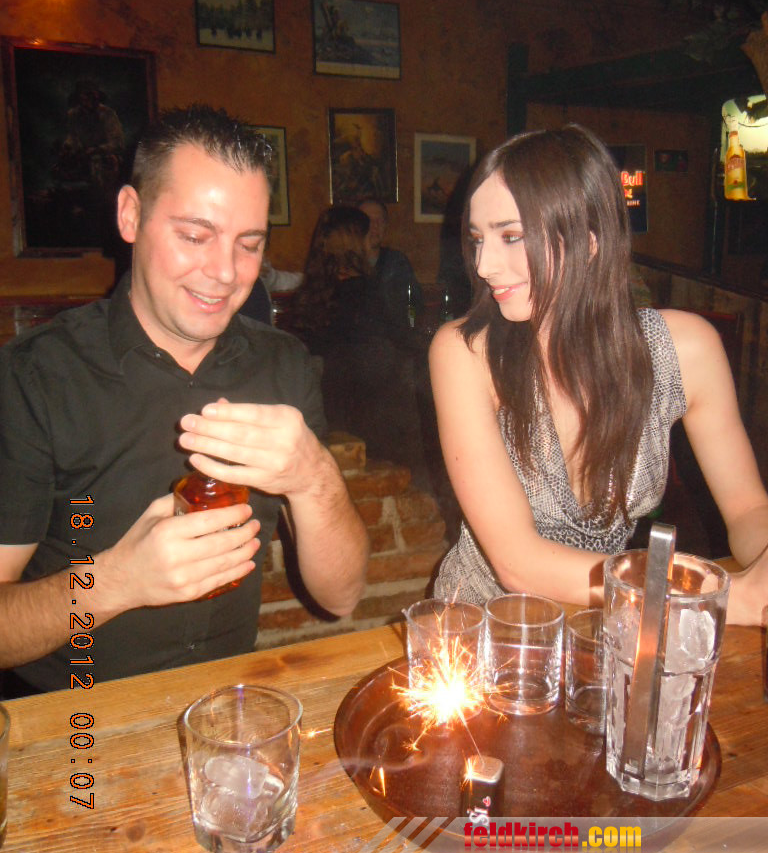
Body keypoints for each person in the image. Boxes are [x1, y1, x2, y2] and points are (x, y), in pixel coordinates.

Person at [0, 105, 368, 695]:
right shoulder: (34, 376)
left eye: (249, 244)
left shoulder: (284, 364)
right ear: (130, 214)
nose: (225, 272)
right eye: (195, 236)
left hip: (229, 703)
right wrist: (116, 582)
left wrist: (314, 476)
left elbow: (341, 597)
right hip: (74, 719)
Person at [431, 124, 768, 626]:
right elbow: (516, 563)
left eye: (511, 236)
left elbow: (746, 510)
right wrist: (718, 599)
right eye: (478, 239)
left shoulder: (686, 350)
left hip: (604, 624)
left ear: (589, 240)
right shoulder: (465, 353)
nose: (483, 265)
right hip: (480, 628)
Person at [291, 206, 429, 482]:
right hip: (373, 423)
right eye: (367, 235)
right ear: (356, 243)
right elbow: (386, 357)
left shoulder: (313, 294)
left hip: (329, 420)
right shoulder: (366, 294)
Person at [358, 198, 423, 331]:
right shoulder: (346, 265)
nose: (375, 226)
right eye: (368, 220)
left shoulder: (397, 261)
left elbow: (414, 305)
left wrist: (411, 330)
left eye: (380, 221)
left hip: (394, 339)